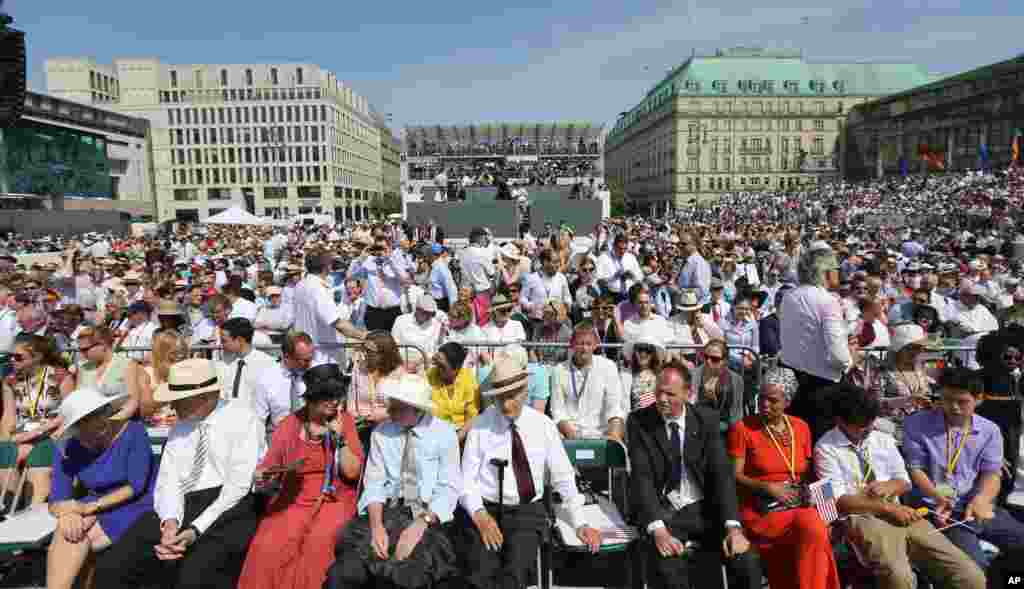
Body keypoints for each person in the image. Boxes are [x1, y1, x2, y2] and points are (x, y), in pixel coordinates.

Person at [93, 358, 265, 589]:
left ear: (204, 397)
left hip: (229, 509)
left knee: (194, 576)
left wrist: (194, 530)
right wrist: (170, 523)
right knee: (113, 566)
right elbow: (169, 480)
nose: (172, 407)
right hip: (182, 505)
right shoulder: (181, 425)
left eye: (178, 401)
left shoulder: (243, 419)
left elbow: (237, 488)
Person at [815, 383, 985, 589]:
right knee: (900, 579)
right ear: (840, 421)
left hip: (903, 513)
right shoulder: (825, 448)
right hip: (863, 518)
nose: (868, 428)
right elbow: (835, 503)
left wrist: (890, 487)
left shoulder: (882, 439)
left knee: (969, 575)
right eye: (861, 425)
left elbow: (904, 481)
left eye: (870, 422)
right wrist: (888, 508)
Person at [459, 357, 602, 589]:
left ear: (525, 391)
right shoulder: (480, 426)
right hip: (486, 509)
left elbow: (563, 476)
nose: (506, 405)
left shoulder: (543, 426)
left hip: (527, 511)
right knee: (480, 575)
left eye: (512, 396)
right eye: (500, 397)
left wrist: (580, 522)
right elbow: (466, 480)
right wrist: (480, 515)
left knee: (514, 575)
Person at [626, 360, 761, 589]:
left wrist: (733, 527)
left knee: (747, 562)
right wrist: (658, 530)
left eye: (670, 394)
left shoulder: (706, 420)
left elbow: (721, 476)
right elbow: (642, 480)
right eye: (659, 392)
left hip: (704, 511)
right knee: (669, 568)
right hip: (665, 515)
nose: (662, 399)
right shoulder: (639, 422)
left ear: (688, 394)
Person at [324, 374, 462, 589]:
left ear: (416, 409)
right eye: (391, 405)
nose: (390, 411)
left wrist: (420, 524)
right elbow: (375, 483)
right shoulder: (381, 433)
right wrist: (376, 526)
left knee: (409, 576)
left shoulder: (444, 434)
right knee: (344, 573)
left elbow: (449, 488)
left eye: (397, 407)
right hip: (387, 511)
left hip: (426, 515)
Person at [238, 364, 364, 589]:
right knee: (268, 544)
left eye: (336, 396)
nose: (333, 402)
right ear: (311, 399)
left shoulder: (345, 422)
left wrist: (340, 437)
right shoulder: (289, 425)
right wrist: (262, 476)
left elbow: (352, 472)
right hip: (293, 497)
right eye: (326, 397)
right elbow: (269, 464)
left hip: (333, 497)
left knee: (317, 543)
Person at [902, 367, 1024, 571]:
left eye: (962, 401)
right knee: (976, 567)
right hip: (938, 510)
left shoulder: (989, 430)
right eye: (947, 400)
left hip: (975, 507)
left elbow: (992, 474)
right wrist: (939, 496)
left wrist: (982, 499)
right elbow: (916, 469)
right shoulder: (917, 423)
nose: (954, 407)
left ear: (978, 399)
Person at [728, 367, 840, 589]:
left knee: (818, 530)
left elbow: (815, 473)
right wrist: (767, 487)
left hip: (799, 504)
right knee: (813, 527)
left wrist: (829, 513)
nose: (764, 405)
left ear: (787, 402)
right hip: (764, 509)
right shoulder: (743, 428)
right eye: (761, 398)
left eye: (773, 401)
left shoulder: (801, 427)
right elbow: (734, 476)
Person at [47, 388, 156, 589]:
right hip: (94, 505)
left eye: (103, 411)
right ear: (76, 426)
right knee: (69, 529)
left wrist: (91, 508)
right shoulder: (67, 447)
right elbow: (57, 497)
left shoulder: (133, 431)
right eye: (91, 417)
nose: (101, 419)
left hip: (138, 503)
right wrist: (66, 514)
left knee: (81, 536)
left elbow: (136, 486)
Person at [781, 241, 851, 442]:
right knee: (822, 444)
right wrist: (850, 360)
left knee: (796, 441)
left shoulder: (788, 296)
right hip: (822, 386)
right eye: (836, 268)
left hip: (792, 379)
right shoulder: (828, 301)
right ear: (827, 273)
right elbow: (839, 355)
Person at [0, 335, 68, 504]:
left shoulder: (59, 376)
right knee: (5, 454)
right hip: (22, 435)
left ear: (37, 357)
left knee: (38, 462)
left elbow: (68, 413)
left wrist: (35, 434)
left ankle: (36, 513)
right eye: (10, 356)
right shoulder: (11, 380)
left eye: (18, 357)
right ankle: (8, 509)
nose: (12, 361)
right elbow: (9, 416)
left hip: (52, 433)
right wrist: (7, 440)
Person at [549, 323, 625, 440]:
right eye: (580, 344)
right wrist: (571, 435)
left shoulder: (609, 367)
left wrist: (614, 437)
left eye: (588, 344)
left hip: (601, 434)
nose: (584, 349)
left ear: (595, 345)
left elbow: (614, 408)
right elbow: (557, 411)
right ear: (572, 345)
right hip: (569, 434)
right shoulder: (558, 370)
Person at [293, 252, 366, 366]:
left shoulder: (300, 285)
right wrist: (365, 336)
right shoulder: (318, 288)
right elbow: (337, 323)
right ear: (326, 266)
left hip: (305, 353)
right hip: (322, 358)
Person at [348, 331, 405, 451]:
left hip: (390, 427)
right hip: (361, 427)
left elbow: (401, 408)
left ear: (384, 354)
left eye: (369, 352)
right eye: (364, 349)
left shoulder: (399, 373)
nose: (364, 354)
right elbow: (352, 401)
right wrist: (357, 418)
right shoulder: (359, 368)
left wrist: (380, 416)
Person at [427, 342, 480, 443]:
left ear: (456, 368)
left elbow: (472, 417)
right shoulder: (431, 376)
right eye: (437, 364)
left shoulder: (468, 379)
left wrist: (456, 439)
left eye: (442, 367)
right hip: (434, 434)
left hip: (461, 435)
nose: (438, 369)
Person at [217, 317, 277, 403]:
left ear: (240, 340)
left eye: (224, 341)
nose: (221, 344)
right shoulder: (225, 361)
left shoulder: (267, 364)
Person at [691, 339, 745, 433]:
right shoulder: (693, 376)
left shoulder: (736, 379)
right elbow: (689, 408)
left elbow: (737, 413)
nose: (708, 361)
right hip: (697, 426)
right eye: (705, 357)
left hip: (725, 427)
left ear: (725, 360)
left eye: (714, 359)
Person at [619, 337, 663, 412]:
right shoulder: (626, 375)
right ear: (634, 351)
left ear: (653, 353)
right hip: (634, 419)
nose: (643, 354)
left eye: (648, 350)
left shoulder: (660, 374)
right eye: (639, 349)